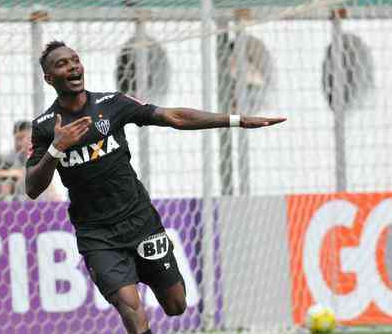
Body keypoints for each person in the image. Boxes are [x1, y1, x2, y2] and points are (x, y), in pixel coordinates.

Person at [25, 41, 285, 334]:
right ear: (49, 78)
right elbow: (32, 187)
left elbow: (172, 117)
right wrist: (56, 149)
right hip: (97, 234)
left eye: (75, 60)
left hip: (141, 222)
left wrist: (236, 120)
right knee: (131, 308)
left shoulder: (112, 104)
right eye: (62, 64)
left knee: (176, 305)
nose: (72, 66)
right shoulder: (46, 127)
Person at [2, 120, 62, 201]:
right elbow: (5, 190)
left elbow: (48, 185)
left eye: (23, 138)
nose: (19, 143)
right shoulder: (10, 158)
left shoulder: (40, 154)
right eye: (17, 139)